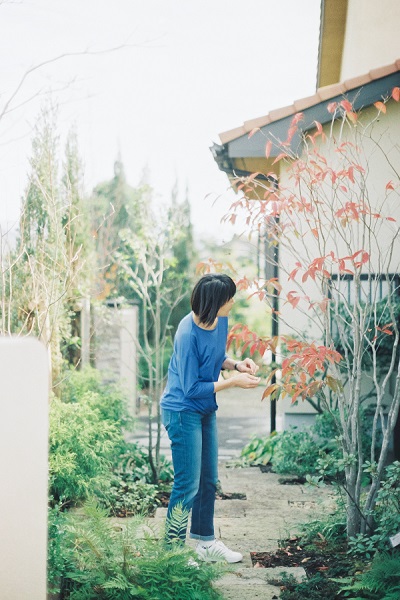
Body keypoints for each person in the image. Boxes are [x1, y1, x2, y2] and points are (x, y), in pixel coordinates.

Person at [160, 273, 260, 563]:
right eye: (229, 298)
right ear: (216, 302)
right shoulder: (186, 333)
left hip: (204, 408)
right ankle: (173, 554)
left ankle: (205, 543)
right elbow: (191, 388)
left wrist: (236, 364)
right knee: (187, 483)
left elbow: (215, 357)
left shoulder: (220, 320)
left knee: (208, 480)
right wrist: (233, 382)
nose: (233, 301)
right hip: (182, 409)